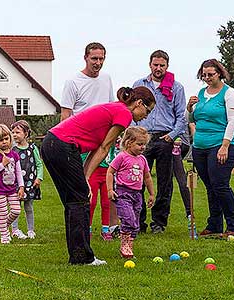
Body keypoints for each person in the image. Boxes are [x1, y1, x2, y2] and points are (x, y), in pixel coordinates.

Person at [41, 86, 155, 265]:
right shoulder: (124, 113)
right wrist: (85, 178)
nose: (146, 116)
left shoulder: (115, 107)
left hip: (51, 143)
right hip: (63, 145)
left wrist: (85, 176)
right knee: (79, 202)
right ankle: (83, 258)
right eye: (147, 111)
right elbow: (104, 147)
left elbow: (97, 147)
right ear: (139, 103)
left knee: (74, 201)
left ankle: (78, 256)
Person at [60, 42, 118, 241]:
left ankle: (105, 228)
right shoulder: (73, 82)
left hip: (102, 143)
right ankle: (84, 226)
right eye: (94, 59)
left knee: (104, 188)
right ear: (85, 58)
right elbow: (66, 115)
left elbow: (111, 108)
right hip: (81, 142)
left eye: (101, 59)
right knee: (84, 188)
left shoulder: (106, 79)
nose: (98, 63)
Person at [186, 59, 234, 237]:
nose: (207, 77)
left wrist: (224, 145)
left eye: (210, 74)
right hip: (200, 146)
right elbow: (191, 120)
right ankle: (214, 225)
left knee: (220, 184)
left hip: (223, 144)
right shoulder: (201, 93)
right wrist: (189, 108)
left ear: (219, 73)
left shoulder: (229, 93)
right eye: (204, 74)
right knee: (210, 186)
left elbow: (233, 120)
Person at [133, 50, 187, 234]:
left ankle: (159, 223)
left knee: (165, 183)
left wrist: (172, 135)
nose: (158, 68)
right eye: (155, 65)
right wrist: (133, 134)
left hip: (165, 137)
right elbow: (131, 111)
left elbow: (181, 117)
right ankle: (138, 222)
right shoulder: (139, 85)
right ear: (150, 64)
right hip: (142, 137)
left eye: (162, 65)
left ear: (167, 66)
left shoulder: (176, 88)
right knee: (137, 180)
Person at [106, 126, 155, 258]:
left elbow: (147, 177)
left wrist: (151, 194)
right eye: (139, 144)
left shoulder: (142, 159)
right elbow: (110, 172)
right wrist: (110, 189)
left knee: (136, 222)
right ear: (128, 143)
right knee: (129, 219)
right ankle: (124, 244)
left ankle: (129, 245)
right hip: (123, 194)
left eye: (144, 144)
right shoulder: (121, 157)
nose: (143, 147)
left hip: (137, 194)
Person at [0, 124, 24, 244]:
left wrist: (21, 187)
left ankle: (2, 226)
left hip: (12, 189)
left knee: (16, 210)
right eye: (1, 140)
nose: (4, 142)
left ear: (10, 138)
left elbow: (18, 172)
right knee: (2, 212)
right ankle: (4, 236)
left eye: (6, 139)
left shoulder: (14, 155)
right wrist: (2, 164)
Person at [10, 120, 43, 240]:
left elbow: (39, 164)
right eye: (13, 132)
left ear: (26, 133)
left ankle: (30, 230)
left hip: (30, 184)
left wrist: (39, 178)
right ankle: (15, 230)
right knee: (15, 208)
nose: (14, 135)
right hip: (16, 184)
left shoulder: (33, 148)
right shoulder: (13, 149)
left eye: (17, 132)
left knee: (29, 207)